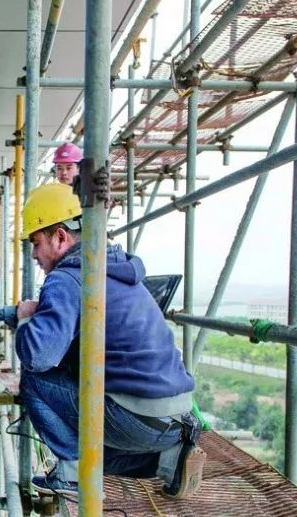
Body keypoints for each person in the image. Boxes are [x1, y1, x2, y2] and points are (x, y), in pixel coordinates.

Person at [14, 182, 204, 499]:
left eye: (36, 242)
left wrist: (25, 319)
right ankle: (166, 460)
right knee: (90, 445)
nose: (33, 254)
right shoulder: (113, 270)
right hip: (174, 420)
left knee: (34, 382)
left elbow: (39, 357)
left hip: (136, 418)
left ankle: (73, 477)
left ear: (60, 237)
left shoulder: (67, 277)